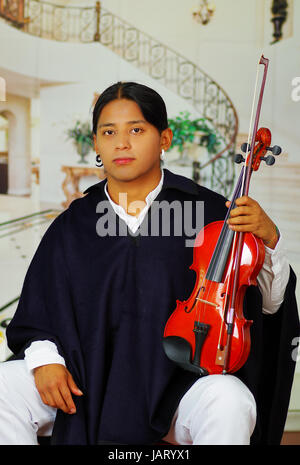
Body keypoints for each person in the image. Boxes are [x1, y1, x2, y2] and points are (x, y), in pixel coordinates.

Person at [0, 82, 298, 445]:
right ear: (96, 143)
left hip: (180, 388)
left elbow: (269, 304)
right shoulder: (73, 224)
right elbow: (38, 311)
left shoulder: (209, 213)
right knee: (4, 388)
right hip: (85, 384)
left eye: (136, 130)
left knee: (229, 399)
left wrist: (269, 241)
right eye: (109, 132)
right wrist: (44, 359)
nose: (121, 143)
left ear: (165, 139)